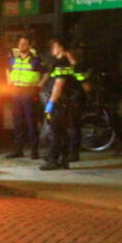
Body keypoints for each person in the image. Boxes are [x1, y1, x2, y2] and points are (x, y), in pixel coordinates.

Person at [40, 38, 83, 171]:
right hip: (66, 103)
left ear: (59, 47)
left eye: (53, 46)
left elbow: (59, 84)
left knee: (55, 132)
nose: (52, 49)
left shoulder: (61, 63)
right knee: (63, 133)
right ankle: (64, 160)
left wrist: (51, 103)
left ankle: (53, 160)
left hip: (59, 103)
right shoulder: (67, 62)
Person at [5, 35, 44, 159]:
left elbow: (47, 72)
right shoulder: (13, 59)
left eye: (25, 44)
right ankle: (18, 150)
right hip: (16, 92)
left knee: (31, 122)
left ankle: (34, 151)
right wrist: (8, 81)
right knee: (17, 122)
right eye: (20, 44)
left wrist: (39, 85)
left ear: (29, 46)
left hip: (29, 92)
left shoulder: (35, 60)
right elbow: (7, 69)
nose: (22, 46)